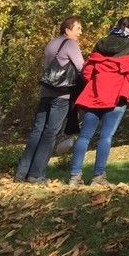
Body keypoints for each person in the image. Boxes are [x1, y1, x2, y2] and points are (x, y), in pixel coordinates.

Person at [68, 18, 129, 186]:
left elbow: (87, 71)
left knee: (84, 136)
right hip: (117, 96)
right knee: (106, 137)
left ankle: (74, 176)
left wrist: (95, 83)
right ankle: (98, 177)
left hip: (94, 94)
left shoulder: (101, 44)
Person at [15, 16, 85, 182]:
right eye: (78, 28)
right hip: (62, 95)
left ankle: (21, 172)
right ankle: (36, 174)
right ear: (67, 30)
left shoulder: (52, 43)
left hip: (45, 93)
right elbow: (82, 67)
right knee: (50, 133)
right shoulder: (71, 44)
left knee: (37, 131)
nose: (80, 33)